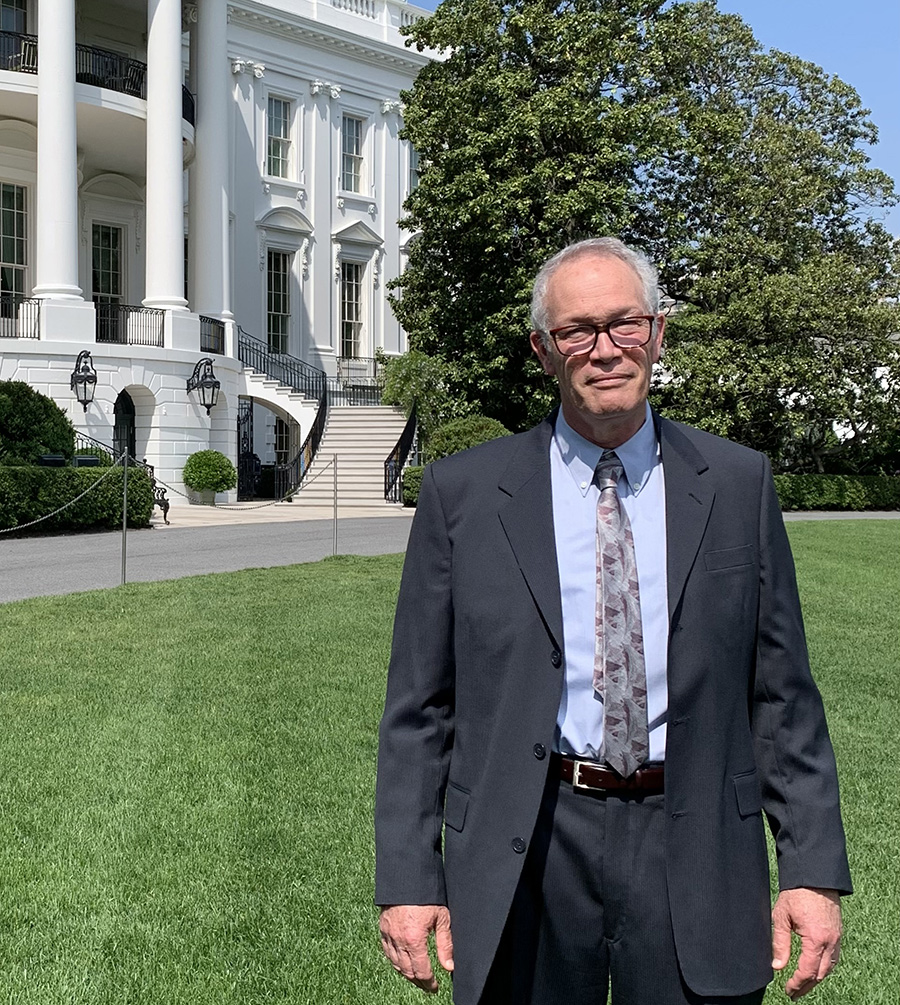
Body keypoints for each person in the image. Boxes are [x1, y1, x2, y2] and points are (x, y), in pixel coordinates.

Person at [374, 238, 851, 1005]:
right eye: (578, 331)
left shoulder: (736, 484)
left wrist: (811, 869)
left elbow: (783, 695)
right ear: (544, 350)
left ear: (657, 333)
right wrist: (407, 875)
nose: (605, 349)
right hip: (529, 838)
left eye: (625, 324)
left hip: (691, 836)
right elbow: (419, 709)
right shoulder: (462, 495)